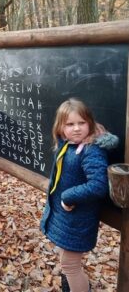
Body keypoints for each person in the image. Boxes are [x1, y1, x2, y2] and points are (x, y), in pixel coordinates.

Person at [40, 98, 118, 292]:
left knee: (70, 265)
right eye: (70, 124)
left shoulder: (91, 150)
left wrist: (68, 195)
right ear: (61, 127)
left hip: (79, 219)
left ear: (89, 123)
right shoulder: (68, 144)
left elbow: (98, 185)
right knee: (66, 260)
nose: (76, 129)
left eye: (81, 123)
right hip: (66, 217)